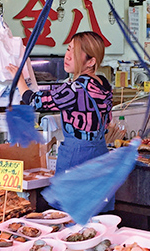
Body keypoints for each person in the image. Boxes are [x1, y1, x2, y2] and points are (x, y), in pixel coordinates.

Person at [16, 31, 113, 199]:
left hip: (76, 159)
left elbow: (35, 101)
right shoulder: (103, 84)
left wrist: (19, 81)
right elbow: (107, 122)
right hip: (100, 156)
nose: (67, 56)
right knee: (95, 216)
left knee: (68, 216)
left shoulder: (74, 89)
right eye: (68, 49)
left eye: (74, 53)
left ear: (91, 61)